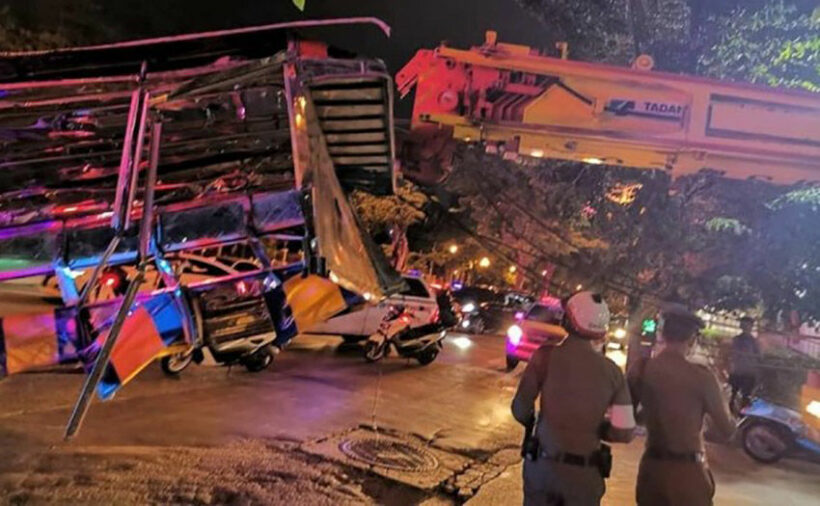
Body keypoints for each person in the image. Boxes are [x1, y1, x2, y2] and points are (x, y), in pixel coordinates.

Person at [512, 291, 636, 506]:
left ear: (568, 320)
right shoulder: (613, 372)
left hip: (543, 471)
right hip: (584, 480)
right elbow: (624, 431)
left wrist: (538, 424)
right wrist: (597, 428)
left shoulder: (545, 357)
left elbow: (520, 408)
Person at [627, 307, 735, 506]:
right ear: (692, 339)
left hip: (652, 472)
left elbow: (626, 422)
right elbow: (727, 430)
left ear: (662, 334)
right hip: (689, 473)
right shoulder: (702, 377)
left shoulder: (641, 369)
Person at [728, 316, 760, 412]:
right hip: (737, 370)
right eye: (743, 324)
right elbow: (731, 354)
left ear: (750, 326)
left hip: (748, 372)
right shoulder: (736, 339)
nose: (745, 326)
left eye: (747, 324)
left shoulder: (754, 341)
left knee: (746, 395)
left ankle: (742, 413)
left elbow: (758, 356)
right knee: (733, 393)